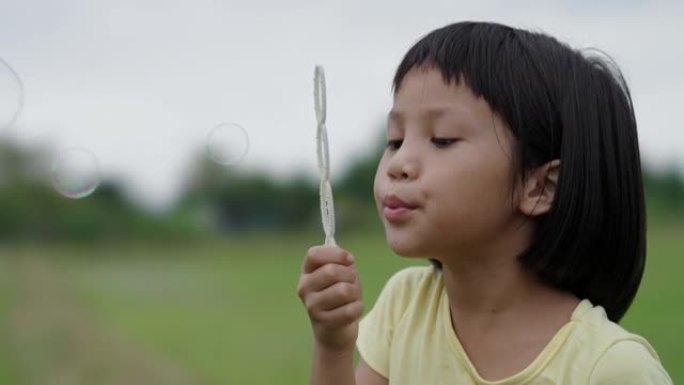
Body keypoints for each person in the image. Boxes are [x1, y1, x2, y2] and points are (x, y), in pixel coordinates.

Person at [296, 21, 673, 384]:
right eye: (394, 140)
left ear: (539, 187)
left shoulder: (612, 370)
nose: (398, 164)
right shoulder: (407, 305)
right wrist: (333, 347)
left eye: (442, 139)